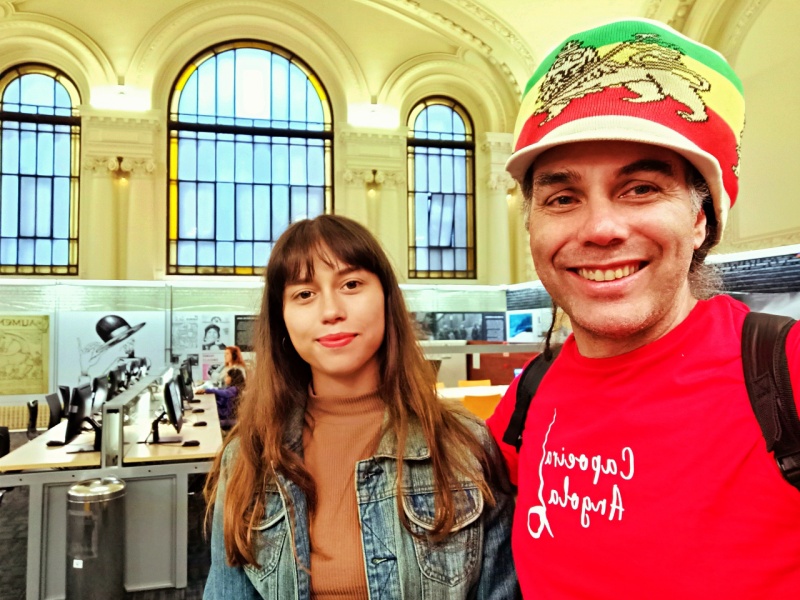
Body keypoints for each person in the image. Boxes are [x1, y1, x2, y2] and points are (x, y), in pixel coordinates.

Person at [486, 18, 800, 599]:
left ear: (701, 219)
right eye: (563, 197)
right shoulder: (528, 396)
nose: (601, 228)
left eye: (641, 189)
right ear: (532, 227)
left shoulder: (787, 373)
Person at [203, 214, 518, 599]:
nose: (331, 310)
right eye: (304, 294)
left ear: (386, 298)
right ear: (281, 319)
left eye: (351, 284)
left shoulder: (465, 444)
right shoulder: (248, 457)